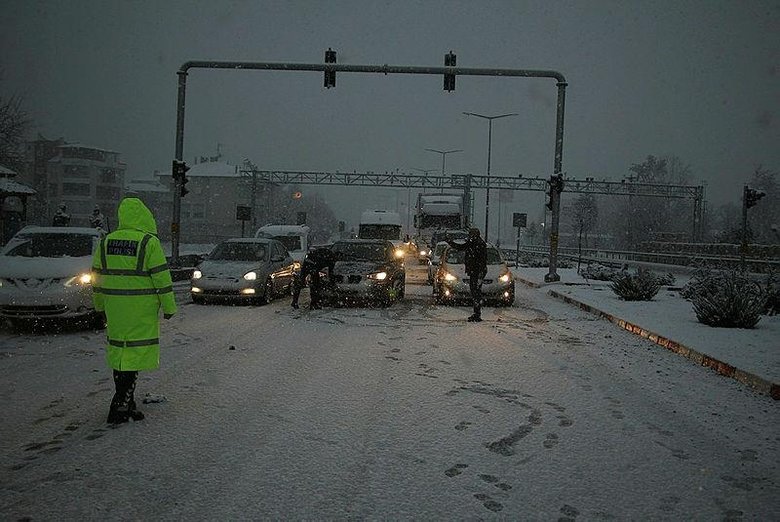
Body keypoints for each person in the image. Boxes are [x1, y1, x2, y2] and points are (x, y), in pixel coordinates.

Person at [91, 197, 177, 424]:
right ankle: (120, 404)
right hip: (141, 308)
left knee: (120, 353)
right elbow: (161, 278)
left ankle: (126, 403)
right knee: (135, 355)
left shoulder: (107, 242)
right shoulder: (148, 242)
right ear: (145, 217)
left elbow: (96, 279)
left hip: (115, 309)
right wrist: (169, 307)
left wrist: (100, 305)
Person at [446, 227, 488, 322]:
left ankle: (477, 314)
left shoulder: (477, 244)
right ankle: (477, 313)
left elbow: (461, 247)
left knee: (475, 292)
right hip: (477, 271)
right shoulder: (476, 243)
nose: (469, 236)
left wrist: (449, 242)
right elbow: (461, 247)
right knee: (475, 292)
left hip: (477, 272)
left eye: (471, 234)